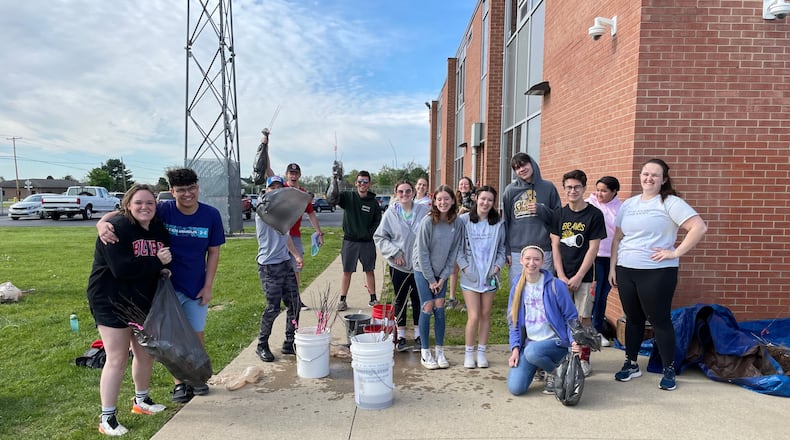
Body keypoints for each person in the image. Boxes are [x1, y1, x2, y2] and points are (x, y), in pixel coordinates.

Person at [98, 168, 225, 403]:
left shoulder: (211, 215)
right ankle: (179, 384)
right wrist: (102, 223)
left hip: (195, 286)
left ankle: (196, 377)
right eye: (181, 190)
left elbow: (214, 252)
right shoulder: (163, 209)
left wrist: (208, 286)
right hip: (164, 286)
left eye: (192, 188)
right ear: (172, 192)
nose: (187, 194)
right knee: (171, 338)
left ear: (198, 188)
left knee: (195, 335)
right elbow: (126, 211)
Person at [609, 158, 707, 391]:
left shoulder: (670, 202)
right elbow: (618, 237)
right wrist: (613, 267)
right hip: (626, 270)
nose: (648, 178)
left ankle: (668, 369)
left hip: (657, 272)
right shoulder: (629, 204)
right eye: (645, 174)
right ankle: (631, 363)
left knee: (659, 320)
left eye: (654, 175)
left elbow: (699, 227)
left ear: (663, 179)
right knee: (632, 319)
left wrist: (675, 252)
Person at [87, 184, 172, 436]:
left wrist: (163, 268)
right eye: (138, 203)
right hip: (110, 298)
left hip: (141, 298)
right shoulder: (117, 229)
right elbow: (122, 270)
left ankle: (141, 401)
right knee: (117, 357)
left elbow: (163, 257)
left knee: (145, 353)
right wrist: (157, 262)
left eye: (149, 203)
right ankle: (107, 418)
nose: (144, 207)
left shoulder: (158, 228)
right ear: (128, 204)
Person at [550, 170, 606, 377]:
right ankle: (565, 356)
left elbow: (593, 249)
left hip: (585, 277)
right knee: (561, 318)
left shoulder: (594, 215)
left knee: (584, 319)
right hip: (562, 277)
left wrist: (579, 276)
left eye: (576, 187)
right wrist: (561, 275)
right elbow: (555, 245)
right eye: (569, 187)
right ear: (564, 189)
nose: (572, 191)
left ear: (584, 188)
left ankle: (583, 358)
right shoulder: (559, 214)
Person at [506, 245, 580, 396]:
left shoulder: (556, 285)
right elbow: (514, 323)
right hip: (530, 344)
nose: (531, 263)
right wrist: (515, 349)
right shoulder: (517, 287)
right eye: (527, 259)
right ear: (521, 260)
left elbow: (571, 316)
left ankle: (555, 372)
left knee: (532, 352)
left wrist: (573, 341)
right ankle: (540, 366)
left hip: (556, 342)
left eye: (536, 259)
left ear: (542, 262)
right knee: (516, 388)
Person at [374, 179, 430, 352]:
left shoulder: (424, 211)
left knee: (419, 300)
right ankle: (402, 336)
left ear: (413, 192)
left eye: (408, 191)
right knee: (401, 300)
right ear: (396, 194)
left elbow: (431, 235)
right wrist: (395, 253)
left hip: (419, 265)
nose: (404, 195)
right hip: (399, 265)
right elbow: (380, 237)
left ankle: (420, 335)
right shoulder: (391, 213)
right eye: (401, 192)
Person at [412, 185, 465, 369]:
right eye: (439, 199)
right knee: (427, 306)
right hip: (423, 270)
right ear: (434, 201)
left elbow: (453, 252)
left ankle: (440, 351)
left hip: (441, 272)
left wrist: (442, 278)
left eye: (447, 199)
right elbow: (422, 252)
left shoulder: (457, 223)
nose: (443, 202)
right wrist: (431, 279)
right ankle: (425, 352)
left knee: (440, 306)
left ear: (452, 201)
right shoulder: (428, 222)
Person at [254, 176, 303, 362]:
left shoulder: (284, 211)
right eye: (271, 187)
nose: (275, 190)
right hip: (269, 266)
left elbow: (285, 235)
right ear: (266, 190)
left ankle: (290, 342)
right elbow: (278, 221)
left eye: (278, 187)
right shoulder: (262, 208)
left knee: (294, 304)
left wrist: (296, 255)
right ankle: (262, 344)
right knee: (272, 308)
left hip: (284, 262)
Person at [456, 185, 506, 368]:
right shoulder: (464, 221)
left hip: (489, 276)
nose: (486, 203)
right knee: (474, 316)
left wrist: (497, 266)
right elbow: (458, 249)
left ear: (493, 203)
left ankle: (482, 352)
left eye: (490, 200)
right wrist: (465, 268)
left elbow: (502, 249)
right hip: (471, 277)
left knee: (485, 315)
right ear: (476, 198)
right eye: (483, 198)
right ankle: (469, 354)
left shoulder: (499, 223)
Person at [502, 153, 562, 286]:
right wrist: (507, 250)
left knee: (545, 289)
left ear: (532, 163)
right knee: (519, 289)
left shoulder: (548, 187)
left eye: (523, 164)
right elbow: (506, 222)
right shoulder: (510, 191)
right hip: (518, 250)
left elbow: (558, 218)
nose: (521, 169)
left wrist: (541, 209)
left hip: (544, 248)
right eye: (517, 168)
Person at [327, 170, 383, 311]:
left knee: (369, 270)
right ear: (355, 183)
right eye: (360, 182)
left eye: (365, 182)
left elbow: (377, 221)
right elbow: (333, 198)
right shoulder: (348, 197)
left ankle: (373, 298)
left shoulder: (373, 203)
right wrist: (335, 179)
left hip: (367, 243)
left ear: (369, 184)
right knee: (347, 271)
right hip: (349, 241)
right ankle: (343, 300)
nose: (362, 184)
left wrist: (369, 233)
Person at [586, 176, 622, 346]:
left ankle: (597, 329)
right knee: (593, 294)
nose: (599, 193)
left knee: (603, 296)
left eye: (604, 191)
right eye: (598, 189)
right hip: (594, 256)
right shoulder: (589, 204)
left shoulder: (621, 208)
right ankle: (589, 329)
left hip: (612, 257)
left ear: (614, 192)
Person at [283, 162, 324, 308]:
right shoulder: (281, 189)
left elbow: (311, 213)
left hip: (295, 235)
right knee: (278, 268)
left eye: (296, 173)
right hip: (280, 236)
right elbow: (268, 172)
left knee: (296, 267)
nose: (293, 176)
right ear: (286, 175)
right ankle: (280, 299)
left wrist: (319, 232)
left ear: (299, 175)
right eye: (291, 173)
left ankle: (295, 299)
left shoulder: (303, 194)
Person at [447, 176, 476, 309]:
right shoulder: (454, 200)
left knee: (468, 268)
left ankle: (469, 300)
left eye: (466, 184)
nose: (463, 186)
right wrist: (460, 212)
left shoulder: (475, 198)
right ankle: (452, 298)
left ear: (470, 185)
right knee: (454, 268)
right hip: (456, 236)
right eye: (461, 184)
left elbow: (480, 215)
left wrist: (471, 209)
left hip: (470, 237)